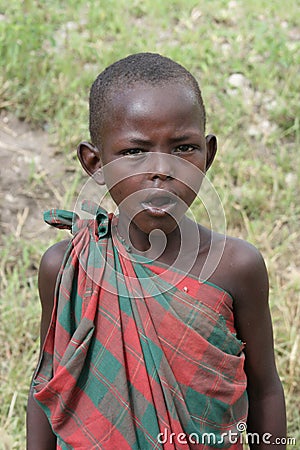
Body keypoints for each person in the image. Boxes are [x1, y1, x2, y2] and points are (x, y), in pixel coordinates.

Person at [26, 53, 286, 449]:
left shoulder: (237, 268)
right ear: (95, 163)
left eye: (183, 148)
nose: (162, 169)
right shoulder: (66, 267)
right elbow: (48, 386)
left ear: (208, 155)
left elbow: (265, 390)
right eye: (134, 152)